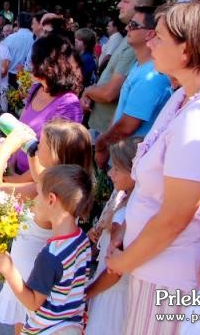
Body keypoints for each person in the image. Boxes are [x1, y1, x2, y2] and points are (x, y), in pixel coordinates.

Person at [105, 2, 200, 334]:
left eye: (159, 38)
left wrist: (124, 261)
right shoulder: (191, 94)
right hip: (155, 266)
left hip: (167, 278)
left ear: (187, 50)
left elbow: (177, 215)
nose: (150, 43)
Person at [0, 120, 93, 334]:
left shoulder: (41, 191)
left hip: (27, 282)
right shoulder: (71, 191)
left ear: (56, 155)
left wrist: (6, 149)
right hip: (55, 299)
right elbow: (39, 173)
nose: (35, 145)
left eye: (40, 144)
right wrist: (32, 152)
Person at [93, 6, 172, 169]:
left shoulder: (153, 75)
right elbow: (120, 113)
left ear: (150, 33)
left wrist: (101, 144)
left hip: (132, 163)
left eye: (134, 25)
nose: (127, 28)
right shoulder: (139, 65)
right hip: (120, 158)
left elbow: (127, 126)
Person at [82, 0, 153, 143]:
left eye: (125, 1)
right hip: (104, 129)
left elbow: (110, 93)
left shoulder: (137, 45)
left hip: (109, 135)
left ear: (141, 6)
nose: (119, 5)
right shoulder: (128, 40)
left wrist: (87, 90)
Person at [85, 137, 141, 335]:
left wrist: (87, 293)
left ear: (135, 172)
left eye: (117, 169)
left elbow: (114, 271)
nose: (110, 173)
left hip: (111, 293)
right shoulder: (127, 198)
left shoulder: (125, 215)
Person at [14, 34, 83, 175]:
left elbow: (54, 160)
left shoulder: (68, 104)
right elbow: (19, 131)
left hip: (39, 183)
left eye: (34, 58)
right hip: (17, 173)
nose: (30, 63)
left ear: (49, 65)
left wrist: (12, 181)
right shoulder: (36, 89)